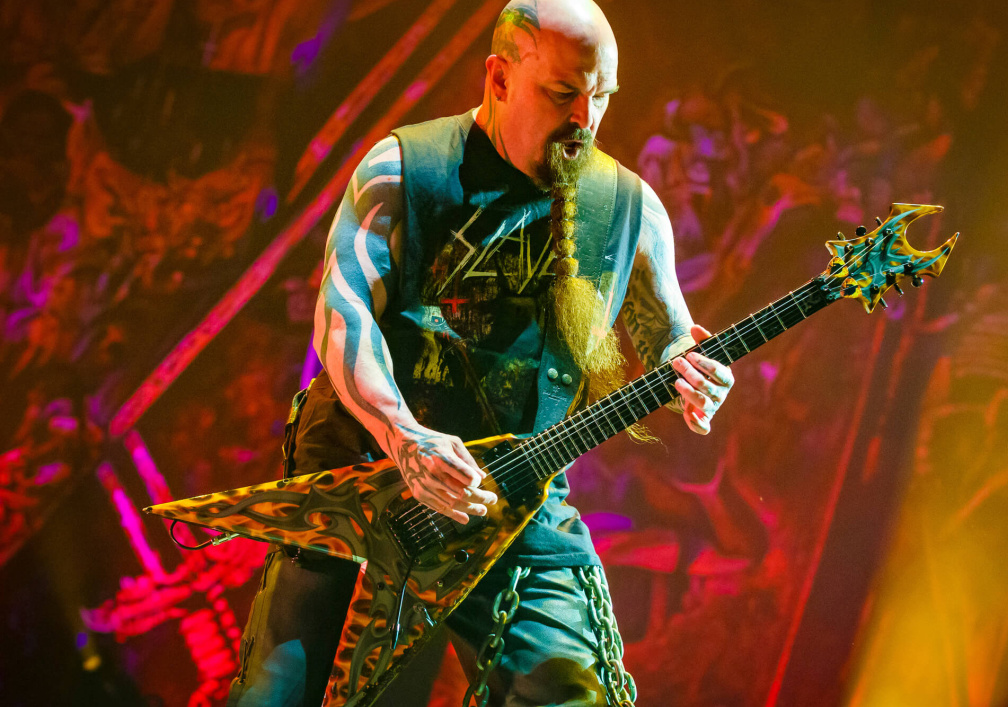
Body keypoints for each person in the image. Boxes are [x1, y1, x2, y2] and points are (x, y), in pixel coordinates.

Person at [226, 1, 734, 705]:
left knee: (572, 695)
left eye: (602, 97)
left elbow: (670, 333)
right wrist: (403, 437)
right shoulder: (403, 169)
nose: (585, 121)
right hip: (364, 478)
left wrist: (692, 367)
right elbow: (341, 317)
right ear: (499, 78)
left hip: (516, 496)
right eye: (562, 93)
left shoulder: (631, 210)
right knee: (280, 694)